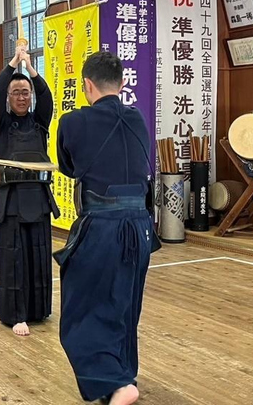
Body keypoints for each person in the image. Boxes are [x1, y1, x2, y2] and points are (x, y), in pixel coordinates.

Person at [55, 51, 159, 405]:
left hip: (102, 227)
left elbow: (69, 167)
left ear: (87, 84)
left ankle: (117, 382)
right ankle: (121, 376)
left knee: (82, 307)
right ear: (122, 83)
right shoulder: (138, 118)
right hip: (141, 228)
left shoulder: (72, 122)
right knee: (124, 305)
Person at [0, 46, 57, 337]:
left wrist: (31, 69)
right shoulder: (2, 124)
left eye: (25, 92)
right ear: (9, 97)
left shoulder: (40, 123)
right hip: (12, 199)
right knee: (14, 255)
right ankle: (16, 314)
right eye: (15, 92)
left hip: (38, 196)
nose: (21, 96)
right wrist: (14, 63)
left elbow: (48, 99)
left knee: (38, 252)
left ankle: (38, 310)